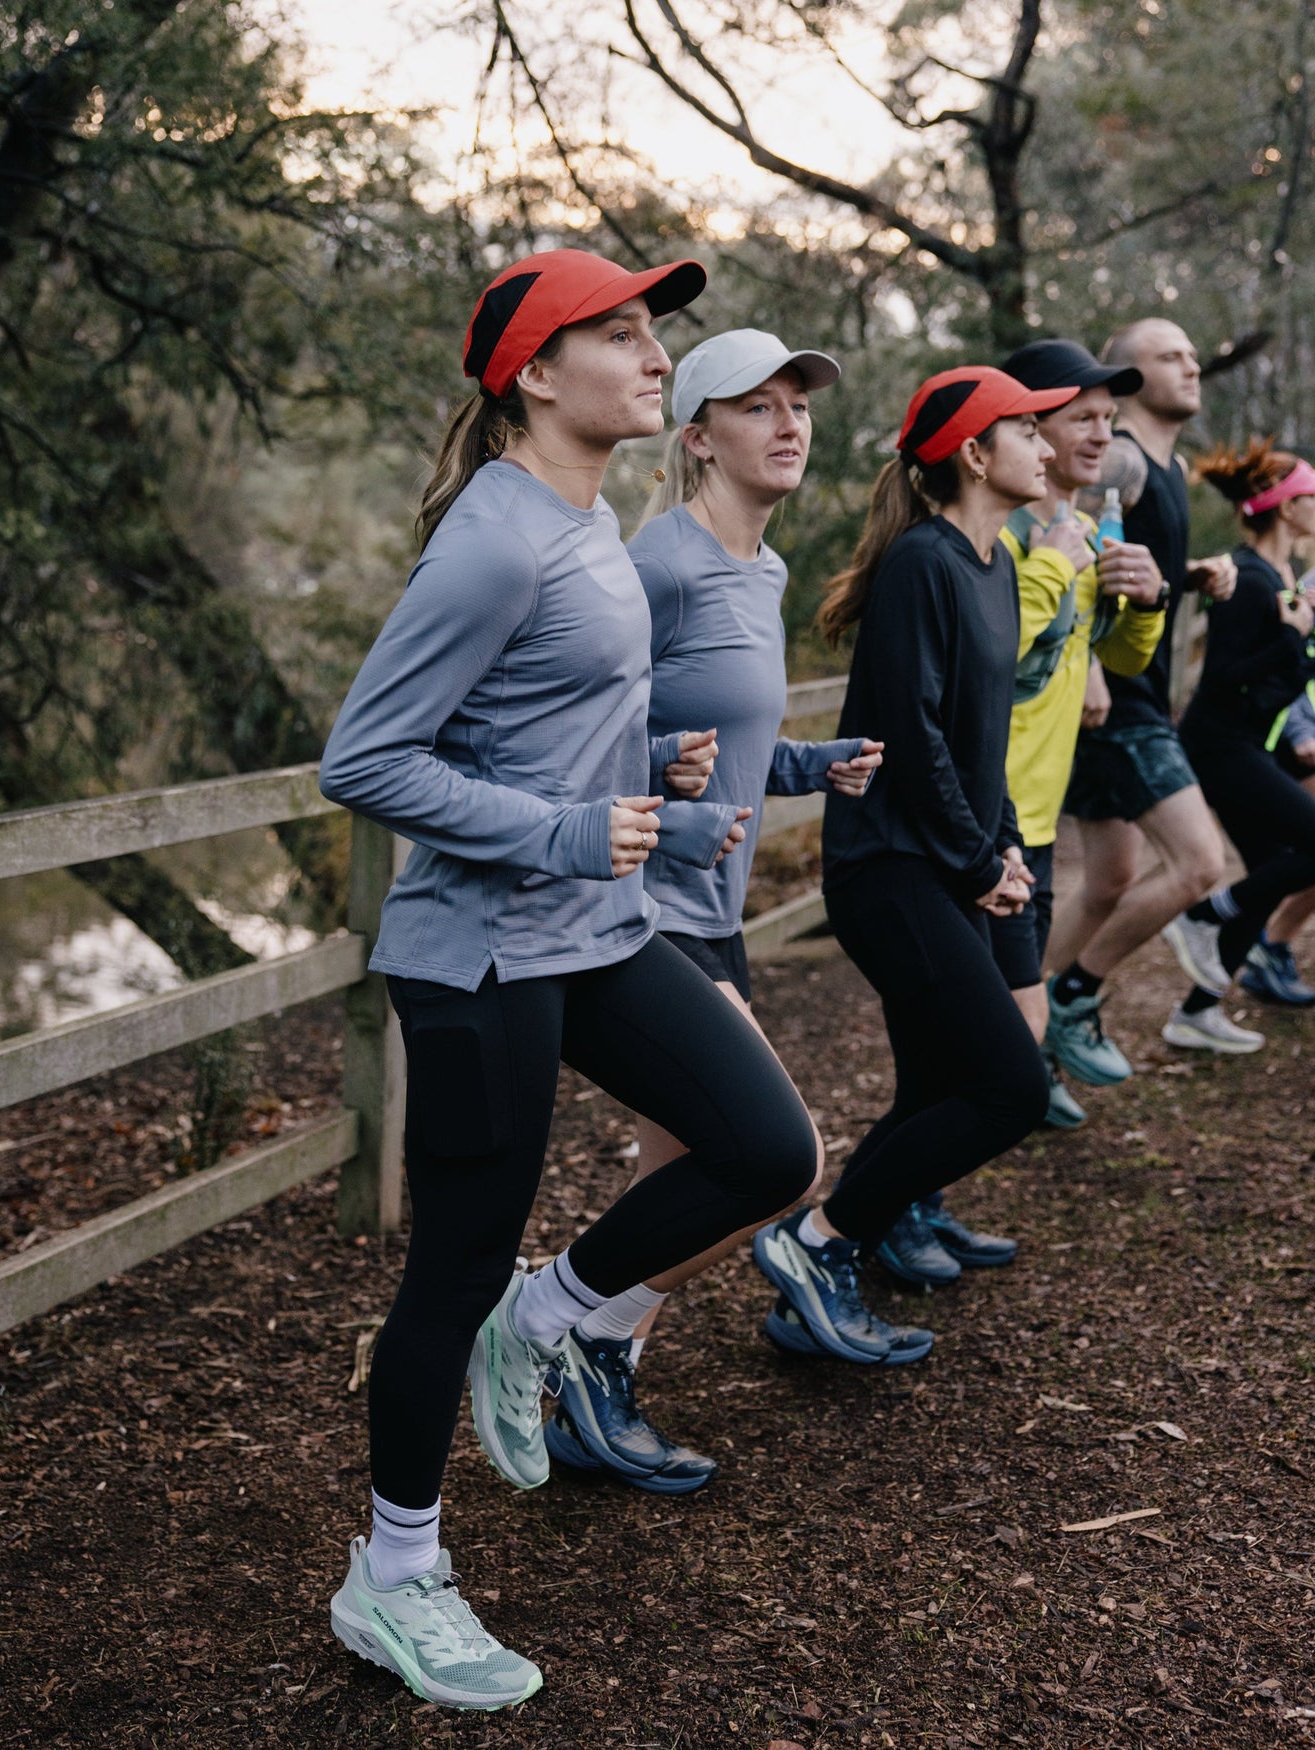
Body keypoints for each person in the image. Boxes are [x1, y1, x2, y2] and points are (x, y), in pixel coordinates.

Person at [317, 248, 819, 1709]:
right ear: (536, 373)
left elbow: (526, 714)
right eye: (620, 333)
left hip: (589, 927)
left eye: (654, 331)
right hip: (480, 956)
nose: (656, 354)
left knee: (765, 1147)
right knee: (451, 1265)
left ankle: (546, 1318)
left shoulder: (585, 513)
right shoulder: (494, 537)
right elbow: (366, 760)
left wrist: (634, 769)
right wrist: (562, 822)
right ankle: (395, 1574)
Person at [538, 329, 889, 1490]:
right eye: (757, 407)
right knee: (774, 1165)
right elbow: (564, 732)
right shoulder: (659, 565)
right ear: (696, 436)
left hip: (716, 901)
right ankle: (566, 1332)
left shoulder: (764, 570)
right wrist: (653, 762)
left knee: (679, 1168)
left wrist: (810, 763)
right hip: (646, 900)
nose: (789, 424)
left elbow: (728, 748)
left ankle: (585, 1384)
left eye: (799, 405)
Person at [752, 366, 1058, 1365]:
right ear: (974, 452)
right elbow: (911, 735)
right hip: (889, 868)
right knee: (1010, 1086)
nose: (1046, 449)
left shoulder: (995, 560)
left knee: (935, 1088)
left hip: (946, 859)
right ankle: (819, 1241)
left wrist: (1002, 840)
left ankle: (830, 1266)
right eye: (1027, 431)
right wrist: (976, 860)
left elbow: (980, 734)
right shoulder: (922, 564)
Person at [1044, 319, 1238, 1082]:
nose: (1191, 365)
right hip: (1116, 702)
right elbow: (1068, 545)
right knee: (1198, 863)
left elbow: (1130, 568)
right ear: (1129, 378)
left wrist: (1188, 576)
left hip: (1137, 692)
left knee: (1108, 882)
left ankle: (1016, 1033)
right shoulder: (1118, 455)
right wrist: (1083, 657)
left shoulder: (1170, 464)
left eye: (1193, 353)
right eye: (1170, 356)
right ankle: (1071, 999)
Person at [987, 339, 1167, 1132]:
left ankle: (920, 1198)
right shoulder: (998, 537)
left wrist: (1146, 600)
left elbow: (1118, 657)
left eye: (1109, 420)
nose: (1102, 436)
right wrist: (1059, 567)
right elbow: (987, 659)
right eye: (1082, 419)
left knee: (997, 1024)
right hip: (986, 816)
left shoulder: (1081, 532)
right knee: (973, 1029)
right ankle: (893, 1207)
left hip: (1037, 816)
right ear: (1029, 425)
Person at [1159, 442, 1315, 1050]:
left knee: (1273, 869)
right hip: (1218, 744)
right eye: (1311, 496)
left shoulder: (1283, 580)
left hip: (1252, 743)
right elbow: (1222, 676)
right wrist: (1292, 636)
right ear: (1286, 507)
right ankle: (1201, 914)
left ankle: (1197, 1011)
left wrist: (1298, 639)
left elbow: (1285, 673)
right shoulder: (1246, 579)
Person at [1242, 672, 1315, 1004]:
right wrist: (1300, 730)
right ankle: (1265, 946)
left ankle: (1269, 947)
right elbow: (1295, 662)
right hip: (1297, 749)